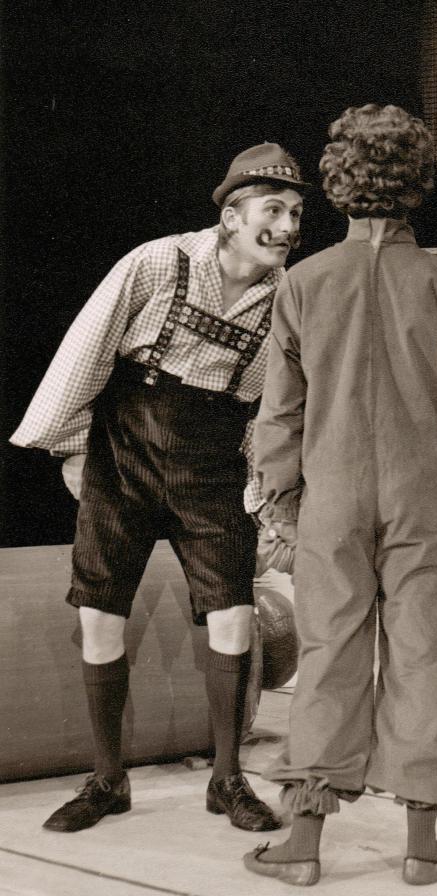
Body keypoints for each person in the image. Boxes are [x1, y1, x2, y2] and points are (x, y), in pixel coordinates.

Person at [10, 142, 308, 834]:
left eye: (296, 213)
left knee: (233, 616)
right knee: (100, 612)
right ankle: (108, 779)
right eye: (273, 211)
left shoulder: (289, 299)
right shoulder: (159, 262)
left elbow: (277, 407)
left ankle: (227, 779)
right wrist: (70, 447)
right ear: (232, 215)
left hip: (213, 463)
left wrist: (266, 495)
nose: (288, 227)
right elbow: (86, 348)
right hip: (123, 451)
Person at [242, 103, 437, 888]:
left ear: (338, 184)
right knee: (423, 659)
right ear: (417, 184)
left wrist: (280, 507)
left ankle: (301, 848)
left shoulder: (304, 283)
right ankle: (423, 848)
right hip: (419, 500)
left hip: (331, 499)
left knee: (326, 660)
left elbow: (279, 412)